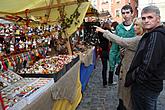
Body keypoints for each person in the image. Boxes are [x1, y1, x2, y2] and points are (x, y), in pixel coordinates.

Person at [96, 18, 144, 110]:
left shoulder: (139, 39)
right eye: (134, 25)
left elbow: (120, 40)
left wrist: (103, 31)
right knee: (123, 100)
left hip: (128, 73)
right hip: (125, 71)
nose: (134, 27)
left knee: (126, 101)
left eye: (137, 25)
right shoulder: (138, 37)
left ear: (142, 27)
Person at [124, 5, 165, 110]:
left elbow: (148, 64)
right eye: (143, 18)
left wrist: (138, 80)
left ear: (158, 19)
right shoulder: (153, 34)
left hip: (146, 87)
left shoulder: (156, 35)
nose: (146, 20)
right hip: (151, 85)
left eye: (150, 17)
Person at [109, 4, 135, 85]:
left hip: (134, 59)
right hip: (121, 59)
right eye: (123, 13)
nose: (125, 15)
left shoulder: (137, 26)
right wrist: (112, 64)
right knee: (122, 83)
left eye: (127, 12)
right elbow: (114, 46)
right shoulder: (118, 28)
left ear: (132, 13)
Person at [98, 22, 111, 88]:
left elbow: (99, 40)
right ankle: (110, 80)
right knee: (111, 66)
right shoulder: (109, 31)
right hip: (109, 51)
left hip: (103, 51)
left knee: (104, 67)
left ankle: (104, 82)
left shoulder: (100, 32)